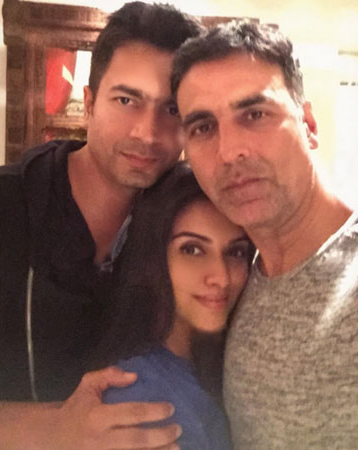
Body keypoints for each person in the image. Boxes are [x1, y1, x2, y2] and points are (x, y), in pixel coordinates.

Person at [171, 21, 358, 449]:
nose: (229, 151)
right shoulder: (235, 279)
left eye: (255, 115)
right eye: (203, 128)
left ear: (309, 124)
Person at [0, 3, 202, 449]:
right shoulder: (8, 207)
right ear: (89, 103)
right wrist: (54, 429)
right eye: (126, 100)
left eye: (172, 108)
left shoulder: (182, 229)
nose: (147, 132)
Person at [96, 161, 255, 450]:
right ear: (152, 259)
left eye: (235, 252)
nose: (221, 277)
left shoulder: (229, 362)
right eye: (192, 250)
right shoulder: (140, 397)